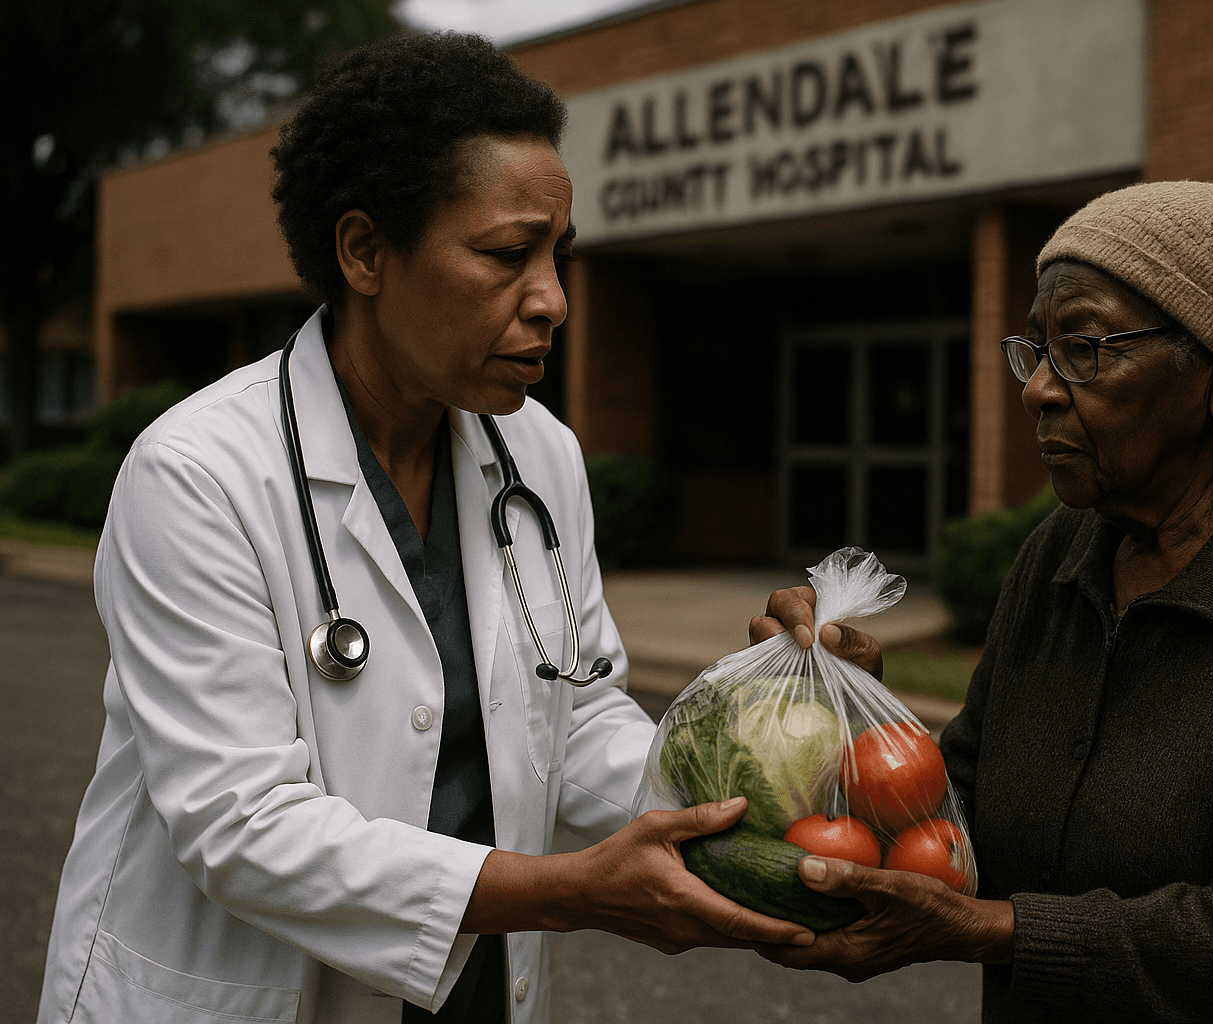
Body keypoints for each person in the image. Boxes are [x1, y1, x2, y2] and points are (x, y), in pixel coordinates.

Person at [36, 33, 812, 1024]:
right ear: (365, 251)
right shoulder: (198, 474)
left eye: (559, 258)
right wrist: (570, 891)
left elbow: (577, 726)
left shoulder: (541, 456)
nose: (554, 301)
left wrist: (763, 752)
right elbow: (242, 826)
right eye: (506, 255)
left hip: (472, 992)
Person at [751, 181, 1213, 1021]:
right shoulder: (1064, 550)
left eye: (1086, 346)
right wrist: (855, 713)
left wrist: (994, 932)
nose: (1038, 388)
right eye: (1035, 350)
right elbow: (968, 810)